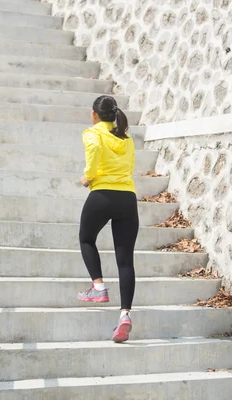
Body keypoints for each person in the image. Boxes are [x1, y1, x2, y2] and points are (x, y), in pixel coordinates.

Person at [77, 95, 139, 343]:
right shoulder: (127, 139)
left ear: (94, 114)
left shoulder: (93, 133)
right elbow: (131, 166)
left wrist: (87, 176)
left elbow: (92, 153)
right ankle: (125, 315)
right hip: (127, 198)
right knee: (125, 261)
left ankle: (99, 288)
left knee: (86, 239)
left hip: (102, 194)